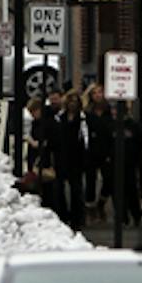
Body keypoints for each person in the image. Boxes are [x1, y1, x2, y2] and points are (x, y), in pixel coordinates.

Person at [49, 90, 88, 229]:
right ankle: (63, 216)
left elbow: (85, 140)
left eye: (75, 102)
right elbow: (54, 136)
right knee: (59, 188)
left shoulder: (82, 119)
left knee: (76, 190)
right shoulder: (60, 118)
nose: (72, 105)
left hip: (76, 159)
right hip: (61, 157)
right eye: (70, 102)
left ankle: (78, 218)